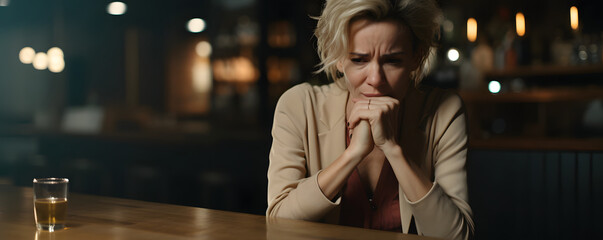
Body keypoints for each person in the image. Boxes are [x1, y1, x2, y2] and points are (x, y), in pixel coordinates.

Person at [266, 0, 475, 239]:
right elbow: (278, 223)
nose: (375, 79)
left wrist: (393, 149)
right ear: (339, 59)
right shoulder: (299, 107)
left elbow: (456, 235)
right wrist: (352, 154)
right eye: (359, 60)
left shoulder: (444, 111)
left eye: (392, 60)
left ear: (416, 58)